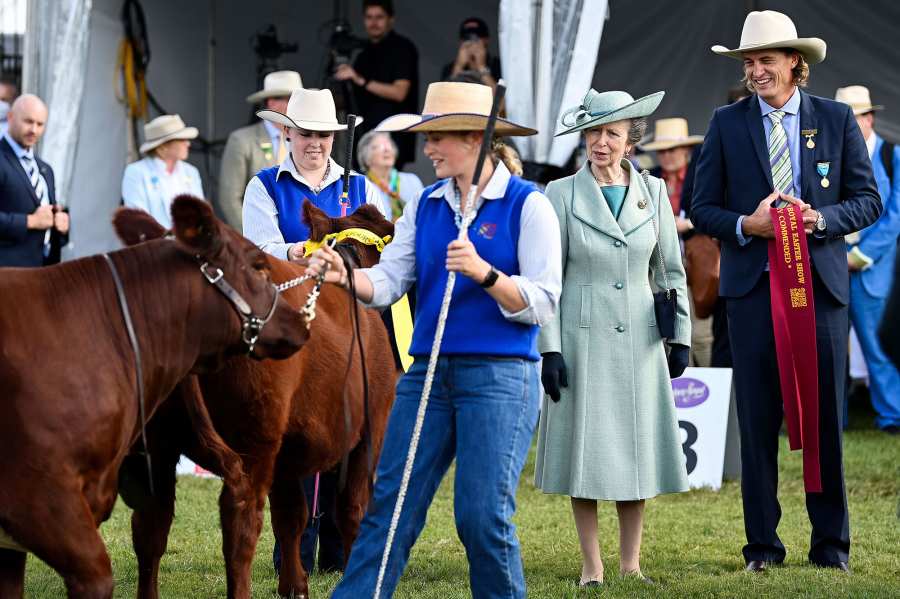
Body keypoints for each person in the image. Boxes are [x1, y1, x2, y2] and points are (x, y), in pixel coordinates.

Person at [305, 81, 561, 598]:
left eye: (436, 138)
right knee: (389, 508)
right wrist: (340, 274)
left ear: (472, 138)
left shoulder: (528, 205)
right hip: (426, 376)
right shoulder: (426, 205)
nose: (427, 149)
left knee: (481, 518)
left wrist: (486, 275)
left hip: (500, 376)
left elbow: (543, 302)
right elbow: (386, 284)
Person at [691, 10, 882, 572]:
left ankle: (831, 547)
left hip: (820, 292)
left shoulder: (838, 118)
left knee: (826, 422)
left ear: (796, 63)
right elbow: (702, 207)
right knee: (756, 426)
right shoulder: (726, 123)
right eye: (749, 62)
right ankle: (762, 549)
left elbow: (867, 201)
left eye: (765, 61)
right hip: (751, 293)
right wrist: (746, 227)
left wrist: (818, 221)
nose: (755, 71)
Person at [535, 89, 691, 587]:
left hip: (641, 340)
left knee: (636, 450)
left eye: (612, 134)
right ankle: (591, 566)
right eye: (594, 132)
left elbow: (670, 270)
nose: (600, 143)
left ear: (630, 140)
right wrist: (550, 348)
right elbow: (547, 278)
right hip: (581, 341)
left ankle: (631, 563)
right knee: (587, 452)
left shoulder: (653, 190)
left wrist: (680, 334)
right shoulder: (559, 193)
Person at [242, 85, 388, 575]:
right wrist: (303, 251)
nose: (316, 144)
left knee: (348, 428)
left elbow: (377, 247)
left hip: (347, 326)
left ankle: (340, 544)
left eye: (324, 135)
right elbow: (260, 250)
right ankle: (294, 548)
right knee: (295, 433)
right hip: (291, 327)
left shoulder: (359, 186)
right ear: (287, 133)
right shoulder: (264, 184)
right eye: (306, 134)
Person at [835, 85, 900, 434]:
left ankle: (893, 416)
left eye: (856, 116)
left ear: (870, 117)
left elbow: (896, 216)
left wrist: (861, 255)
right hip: (832, 262)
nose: (850, 123)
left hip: (873, 266)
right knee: (830, 346)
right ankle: (833, 418)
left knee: (878, 344)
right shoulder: (833, 154)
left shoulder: (892, 155)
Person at [641, 117, 711, 365]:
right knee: (663, 329)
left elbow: (714, 212)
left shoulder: (701, 177)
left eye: (672, 150)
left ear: (686, 150)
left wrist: (688, 224)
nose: (667, 156)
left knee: (701, 332)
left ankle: (710, 393)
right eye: (661, 151)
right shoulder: (646, 180)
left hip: (697, 261)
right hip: (658, 262)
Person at [334, 0, 419, 168]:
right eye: (369, 17)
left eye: (379, 17)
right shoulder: (362, 55)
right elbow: (350, 100)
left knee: (387, 191)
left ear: (391, 19)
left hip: (391, 139)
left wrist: (360, 80)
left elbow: (399, 92)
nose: (373, 22)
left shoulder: (402, 48)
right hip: (362, 139)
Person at [216, 70, 303, 231]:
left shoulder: (306, 140)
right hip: (258, 244)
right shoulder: (241, 140)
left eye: (299, 100)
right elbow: (229, 199)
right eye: (290, 99)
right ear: (271, 103)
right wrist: (253, 239)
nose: (297, 106)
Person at [0, 93, 68, 267]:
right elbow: (36, 220)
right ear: (10, 117)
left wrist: (61, 225)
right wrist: (30, 221)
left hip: (45, 272)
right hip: (9, 277)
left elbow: (49, 224)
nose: (34, 130)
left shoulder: (46, 169)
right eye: (28, 121)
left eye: (40, 124)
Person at [121, 114, 204, 229]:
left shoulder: (191, 172)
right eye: (181, 139)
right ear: (162, 147)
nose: (188, 143)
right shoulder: (136, 172)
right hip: (155, 245)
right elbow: (138, 220)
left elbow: (201, 214)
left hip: (190, 245)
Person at [356, 129, 423, 220]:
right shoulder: (361, 186)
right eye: (378, 147)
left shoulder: (412, 180)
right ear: (366, 158)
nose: (386, 149)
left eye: (389, 145)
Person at [440, 17, 502, 89]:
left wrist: (481, 67)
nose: (472, 43)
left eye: (476, 38)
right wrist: (458, 66)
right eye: (467, 38)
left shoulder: (498, 65)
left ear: (486, 40)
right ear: (460, 42)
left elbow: (502, 99)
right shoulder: (450, 68)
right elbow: (444, 96)